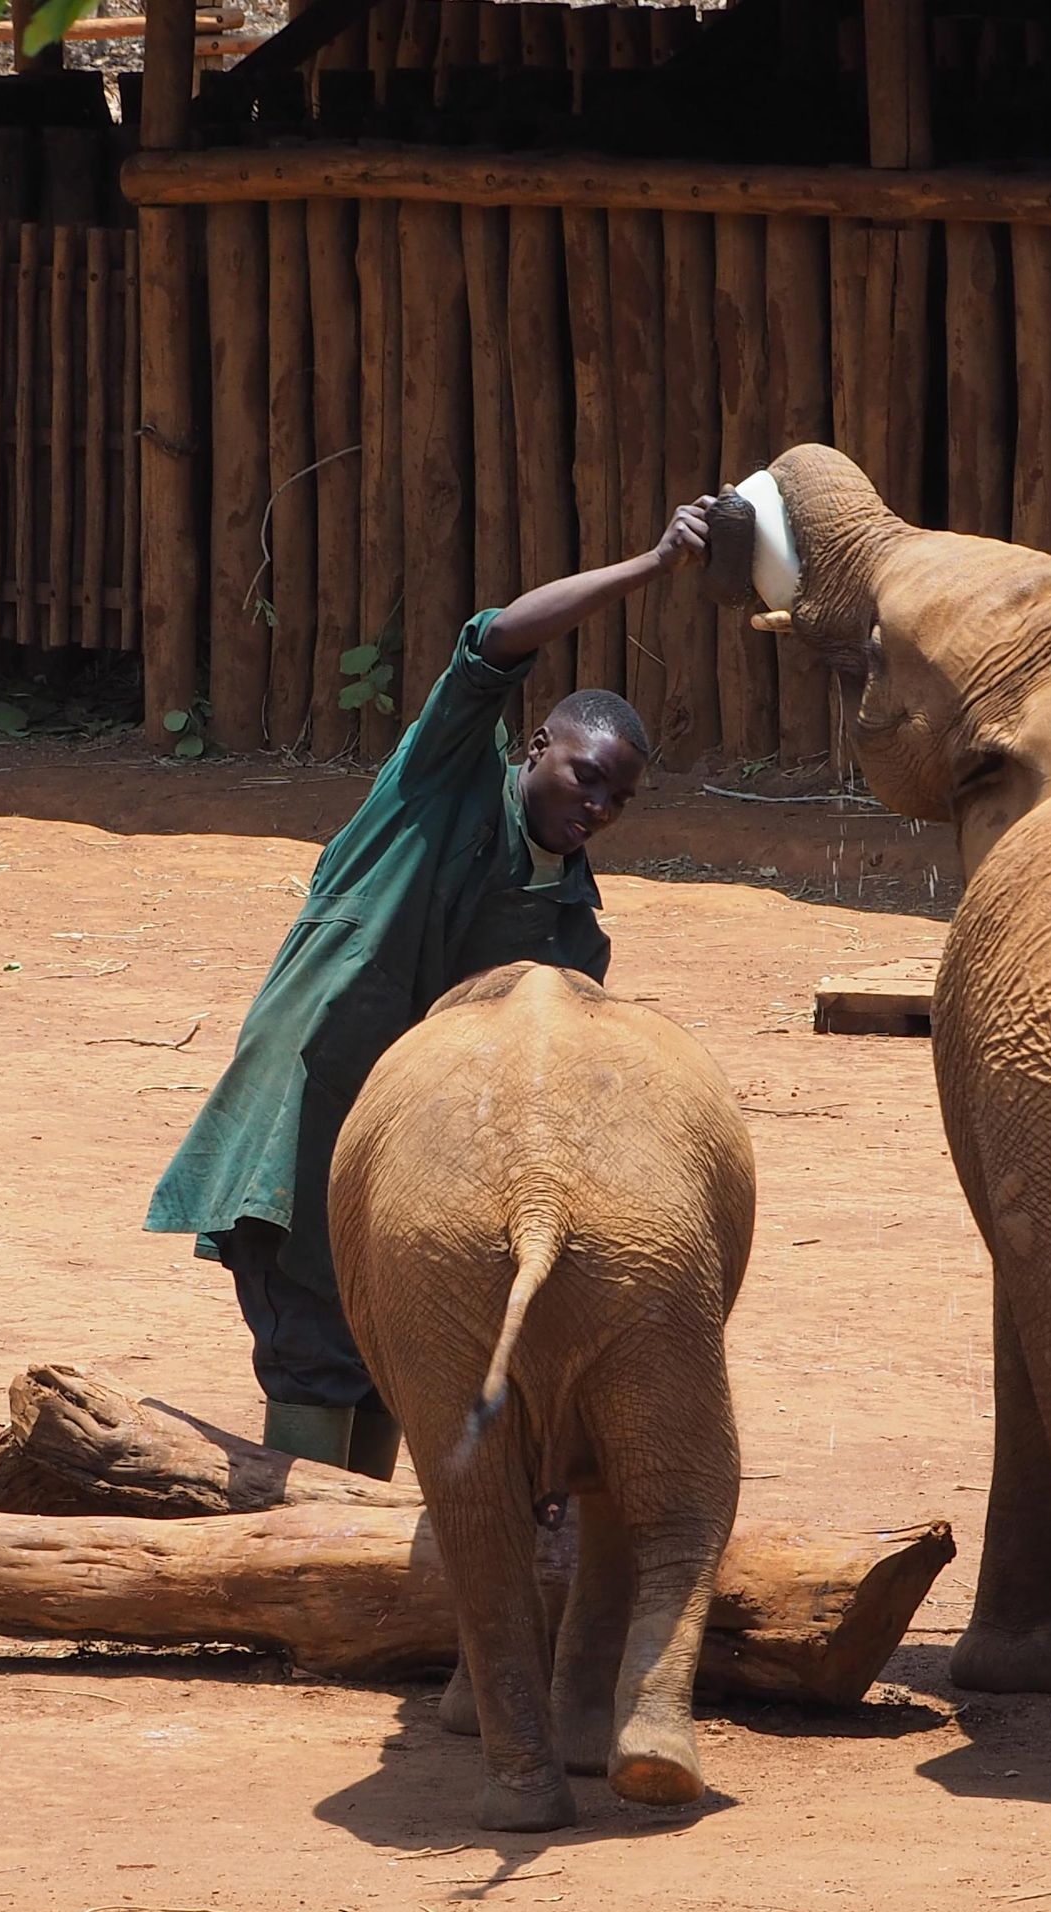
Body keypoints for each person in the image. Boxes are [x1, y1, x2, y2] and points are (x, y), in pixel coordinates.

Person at [145, 500, 712, 1476]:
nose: (598, 807)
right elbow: (494, 640)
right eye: (585, 778)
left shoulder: (572, 927)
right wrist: (651, 566)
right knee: (316, 1364)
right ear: (535, 746)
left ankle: (352, 1581)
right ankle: (308, 1586)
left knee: (389, 1372)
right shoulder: (438, 781)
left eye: (618, 798)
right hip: (301, 1125)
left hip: (408, 1172)